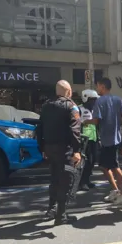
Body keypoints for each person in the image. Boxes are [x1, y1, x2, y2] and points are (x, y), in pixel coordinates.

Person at [35, 80, 82, 226]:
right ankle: (61, 215)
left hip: (50, 148)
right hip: (65, 150)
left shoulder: (46, 106)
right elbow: (75, 129)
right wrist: (77, 150)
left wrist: (42, 148)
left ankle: (51, 209)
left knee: (54, 178)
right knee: (65, 181)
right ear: (69, 91)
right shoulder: (71, 106)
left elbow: (39, 129)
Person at [89, 77, 122, 205]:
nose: (97, 89)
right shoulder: (117, 99)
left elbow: (96, 120)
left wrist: (84, 122)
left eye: (97, 86)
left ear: (102, 86)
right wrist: (118, 123)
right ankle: (116, 190)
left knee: (114, 166)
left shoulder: (99, 101)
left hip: (108, 139)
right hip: (114, 137)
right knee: (103, 166)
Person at [78, 89, 99, 191]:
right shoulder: (79, 109)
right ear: (86, 99)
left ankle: (87, 180)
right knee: (85, 162)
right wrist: (86, 122)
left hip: (93, 139)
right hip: (84, 140)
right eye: (92, 100)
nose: (94, 102)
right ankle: (82, 182)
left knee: (92, 161)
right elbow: (77, 123)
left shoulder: (95, 110)